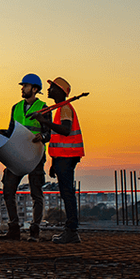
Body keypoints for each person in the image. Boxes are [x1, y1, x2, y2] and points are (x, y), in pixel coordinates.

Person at [0, 74, 51, 242]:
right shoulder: (16, 107)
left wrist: (43, 136)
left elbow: (49, 133)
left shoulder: (43, 108)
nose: (22, 88)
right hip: (16, 155)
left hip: (35, 156)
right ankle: (14, 229)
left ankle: (34, 230)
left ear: (34, 89)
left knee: (36, 194)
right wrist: (0, 132)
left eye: (25, 86)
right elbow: (12, 130)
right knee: (8, 190)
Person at [34, 77, 85, 244]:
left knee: (67, 193)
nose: (48, 90)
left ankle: (71, 231)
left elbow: (65, 130)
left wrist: (44, 122)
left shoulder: (64, 109)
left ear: (60, 91)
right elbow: (58, 139)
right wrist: (54, 162)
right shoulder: (60, 109)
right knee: (66, 193)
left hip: (67, 156)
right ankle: (71, 230)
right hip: (63, 157)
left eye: (52, 87)